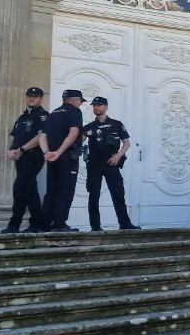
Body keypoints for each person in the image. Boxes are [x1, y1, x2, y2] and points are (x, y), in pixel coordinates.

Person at [82, 96, 139, 231]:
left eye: (100, 105)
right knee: (93, 195)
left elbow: (126, 143)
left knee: (118, 194)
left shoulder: (116, 124)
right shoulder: (89, 127)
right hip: (94, 164)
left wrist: (118, 155)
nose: (97, 107)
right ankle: (95, 226)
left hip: (111, 163)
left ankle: (125, 224)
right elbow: (79, 141)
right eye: (94, 105)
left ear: (106, 107)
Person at [39, 89, 86, 232]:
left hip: (51, 158)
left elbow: (42, 136)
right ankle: (59, 224)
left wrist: (46, 152)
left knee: (51, 190)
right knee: (65, 190)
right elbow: (73, 133)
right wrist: (59, 152)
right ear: (73, 100)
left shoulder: (53, 113)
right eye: (80, 101)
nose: (80, 104)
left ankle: (45, 224)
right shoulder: (74, 112)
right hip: (66, 157)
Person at [4, 87, 48, 234]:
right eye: (29, 95)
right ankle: (36, 223)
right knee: (28, 189)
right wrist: (11, 150)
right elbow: (14, 136)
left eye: (35, 96)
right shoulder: (22, 117)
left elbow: (40, 137)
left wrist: (22, 149)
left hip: (33, 155)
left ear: (41, 98)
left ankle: (16, 224)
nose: (31, 98)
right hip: (20, 157)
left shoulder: (43, 116)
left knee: (20, 188)